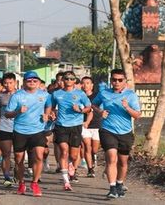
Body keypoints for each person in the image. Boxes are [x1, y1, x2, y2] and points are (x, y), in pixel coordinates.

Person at [93, 68, 141, 199]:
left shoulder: (131, 95)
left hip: (125, 132)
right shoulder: (104, 93)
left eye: (120, 80)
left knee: (123, 162)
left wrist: (127, 107)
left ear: (125, 81)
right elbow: (93, 105)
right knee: (111, 158)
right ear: (111, 80)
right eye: (114, 80)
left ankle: (119, 183)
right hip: (107, 130)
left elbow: (137, 115)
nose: (117, 82)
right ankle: (112, 188)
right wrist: (100, 112)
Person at [5, 71, 51, 197]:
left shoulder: (45, 95)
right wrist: (18, 111)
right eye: (29, 81)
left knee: (39, 156)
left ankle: (35, 183)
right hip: (20, 131)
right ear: (24, 82)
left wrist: (47, 114)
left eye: (35, 81)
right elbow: (7, 114)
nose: (32, 83)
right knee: (19, 159)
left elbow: (48, 105)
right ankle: (21, 183)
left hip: (38, 130)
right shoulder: (17, 96)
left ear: (38, 82)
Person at [50, 71, 92, 191]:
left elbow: (89, 108)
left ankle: (71, 165)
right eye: (66, 78)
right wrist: (52, 113)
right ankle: (66, 181)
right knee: (64, 151)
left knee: (74, 155)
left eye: (71, 79)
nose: (68, 81)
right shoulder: (56, 94)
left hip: (76, 126)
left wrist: (80, 110)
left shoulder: (80, 94)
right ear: (63, 80)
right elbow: (51, 107)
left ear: (74, 81)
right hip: (61, 125)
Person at [0, 73, 18, 187]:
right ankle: (6, 178)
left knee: (19, 155)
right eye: (5, 83)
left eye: (10, 83)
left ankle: (17, 176)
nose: (8, 85)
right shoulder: (0, 96)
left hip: (19, 128)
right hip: (4, 127)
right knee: (6, 154)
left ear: (15, 82)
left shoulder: (21, 95)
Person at [80, 76, 102, 178]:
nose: (85, 85)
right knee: (87, 147)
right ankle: (90, 169)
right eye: (83, 83)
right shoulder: (78, 96)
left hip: (97, 124)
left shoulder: (97, 96)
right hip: (84, 125)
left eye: (88, 83)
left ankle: (94, 158)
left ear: (92, 85)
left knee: (94, 149)